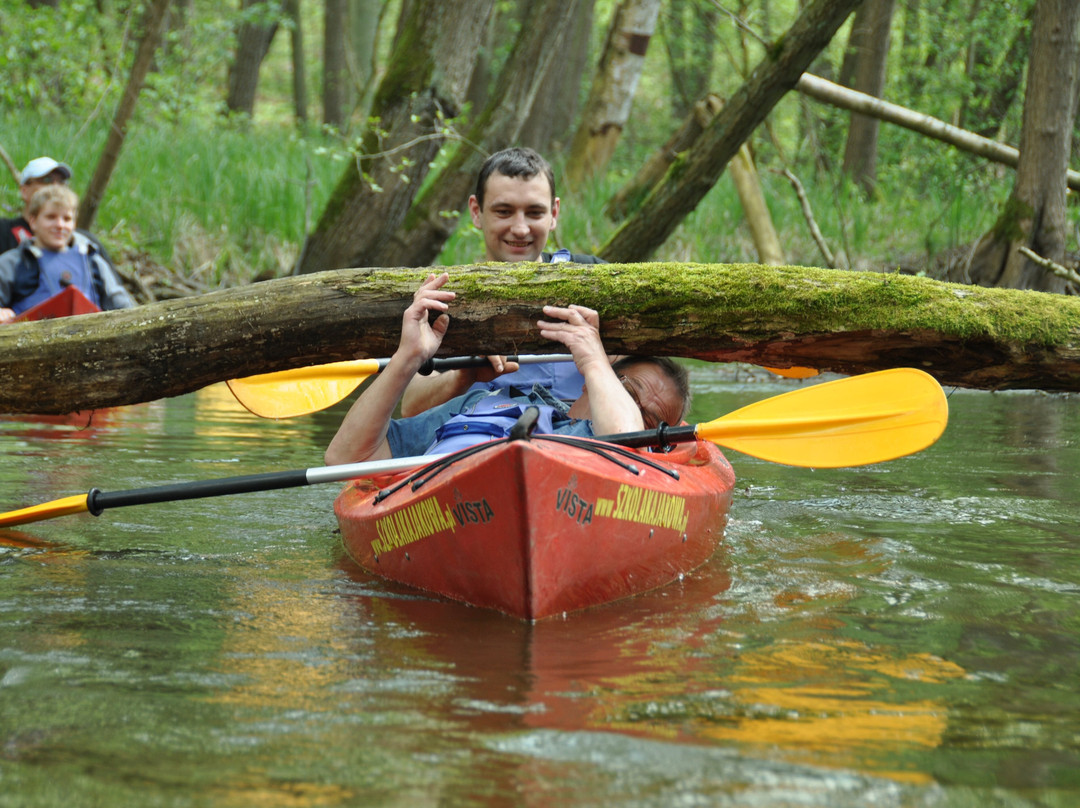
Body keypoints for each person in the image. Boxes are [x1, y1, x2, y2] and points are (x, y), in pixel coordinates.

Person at [325, 272, 690, 466]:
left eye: (651, 419)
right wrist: (408, 357)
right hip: (442, 494)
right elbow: (346, 458)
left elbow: (623, 444)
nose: (636, 415)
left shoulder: (638, 453)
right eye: (628, 392)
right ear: (588, 387)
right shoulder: (483, 402)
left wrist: (595, 358)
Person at [401, 147, 607, 415]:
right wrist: (465, 374)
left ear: (554, 214)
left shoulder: (596, 279)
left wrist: (603, 358)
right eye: (504, 212)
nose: (520, 228)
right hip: (480, 441)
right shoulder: (443, 294)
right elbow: (411, 408)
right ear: (476, 211)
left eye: (534, 213)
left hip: (581, 441)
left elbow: (648, 382)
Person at [0, 184, 134, 322]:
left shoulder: (92, 260)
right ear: (33, 221)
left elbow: (124, 306)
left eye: (67, 219)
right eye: (51, 217)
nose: (60, 225)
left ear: (74, 224)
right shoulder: (12, 262)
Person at [0, 156, 110, 258]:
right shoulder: (4, 231)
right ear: (24, 191)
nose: (55, 187)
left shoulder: (84, 242)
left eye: (61, 182)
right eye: (47, 181)